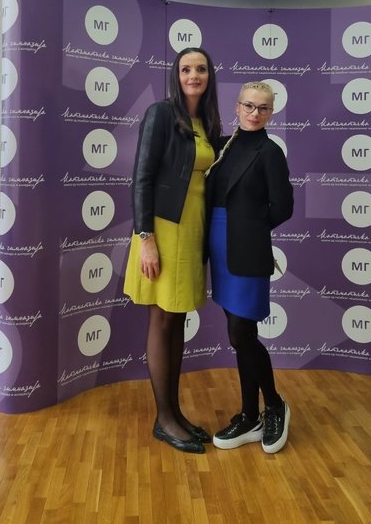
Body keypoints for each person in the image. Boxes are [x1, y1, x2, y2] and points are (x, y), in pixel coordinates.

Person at [124, 47, 222, 454]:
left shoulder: (209, 122)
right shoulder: (160, 114)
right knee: (162, 320)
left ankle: (175, 413)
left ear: (209, 75)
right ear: (176, 76)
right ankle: (163, 419)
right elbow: (142, 178)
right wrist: (145, 238)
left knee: (178, 320)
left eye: (200, 69)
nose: (193, 75)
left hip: (193, 230)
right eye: (185, 69)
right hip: (162, 231)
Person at [205, 81, 294, 454]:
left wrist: (251, 230)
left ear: (271, 112)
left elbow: (283, 207)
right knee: (237, 334)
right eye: (249, 106)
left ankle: (274, 405)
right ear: (237, 107)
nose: (255, 113)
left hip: (248, 250)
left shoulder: (270, 152)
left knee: (242, 333)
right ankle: (248, 415)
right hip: (218, 247)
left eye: (263, 108)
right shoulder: (222, 145)